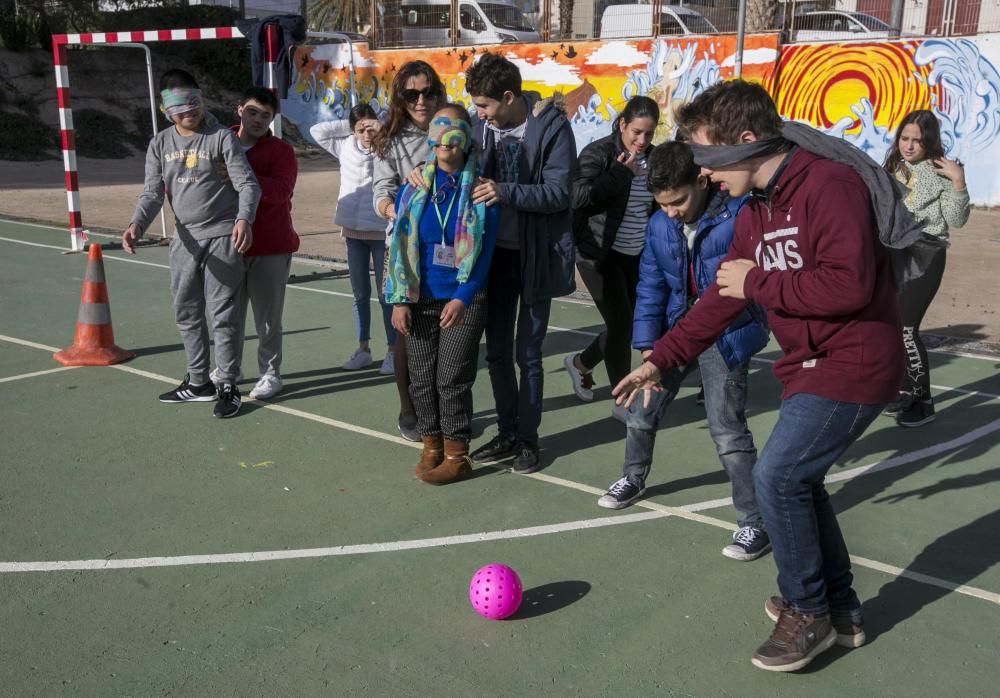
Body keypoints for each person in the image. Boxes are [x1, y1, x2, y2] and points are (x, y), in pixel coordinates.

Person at [613, 80, 903, 672]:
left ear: (745, 142)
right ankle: (841, 610)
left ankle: (808, 610)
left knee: (776, 476)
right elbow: (718, 301)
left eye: (706, 155)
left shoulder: (830, 186)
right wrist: (659, 359)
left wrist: (758, 284)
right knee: (801, 481)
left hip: (855, 361)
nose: (702, 170)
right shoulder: (754, 211)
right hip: (808, 365)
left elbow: (849, 285)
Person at [599, 141, 771, 562]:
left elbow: (743, 286)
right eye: (663, 204)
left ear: (700, 179)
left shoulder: (739, 214)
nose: (671, 211)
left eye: (678, 201)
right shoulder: (660, 224)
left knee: (727, 429)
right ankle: (633, 478)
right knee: (641, 411)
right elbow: (652, 285)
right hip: (675, 331)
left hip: (725, 332)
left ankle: (754, 522)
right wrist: (645, 345)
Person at [122, 68, 260, 419]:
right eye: (181, 109)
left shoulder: (220, 138)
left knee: (223, 315)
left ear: (201, 99)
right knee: (186, 311)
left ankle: (227, 384)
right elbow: (153, 193)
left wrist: (244, 219)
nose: (190, 113)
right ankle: (198, 381)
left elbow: (248, 185)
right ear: (168, 111)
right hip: (184, 241)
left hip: (222, 237)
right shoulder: (160, 144)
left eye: (194, 104)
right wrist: (137, 223)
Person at [464, 52, 577, 474]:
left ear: (509, 97)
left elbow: (557, 194)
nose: (480, 114)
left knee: (527, 354)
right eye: (477, 106)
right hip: (492, 257)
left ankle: (529, 441)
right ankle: (508, 431)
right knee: (494, 354)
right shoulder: (479, 126)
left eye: (486, 106)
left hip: (535, 258)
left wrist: (504, 191)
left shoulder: (551, 128)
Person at [386, 105, 498, 485]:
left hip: (462, 299)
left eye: (453, 135)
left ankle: (457, 453)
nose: (444, 144)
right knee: (420, 376)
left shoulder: (481, 192)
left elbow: (484, 255)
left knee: (451, 376)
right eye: (438, 136)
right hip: (419, 296)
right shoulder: (414, 187)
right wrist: (399, 299)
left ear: (466, 140)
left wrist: (463, 296)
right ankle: (430, 446)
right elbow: (400, 245)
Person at [564, 95, 659, 404]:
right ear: (622, 125)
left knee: (629, 325)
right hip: (598, 254)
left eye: (649, 133)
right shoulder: (600, 153)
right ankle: (623, 399)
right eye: (636, 132)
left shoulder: (655, 159)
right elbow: (577, 195)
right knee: (620, 325)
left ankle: (580, 364)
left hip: (637, 255)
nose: (642, 140)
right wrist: (621, 174)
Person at [373, 60, 448, 441]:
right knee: (407, 332)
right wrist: (403, 202)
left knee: (446, 333)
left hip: (450, 249)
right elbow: (380, 195)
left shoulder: (455, 129)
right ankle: (409, 410)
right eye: (412, 94)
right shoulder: (390, 140)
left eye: (428, 91)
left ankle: (440, 409)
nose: (421, 100)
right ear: (400, 98)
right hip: (405, 249)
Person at [882, 109, 970, 427]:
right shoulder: (893, 165)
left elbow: (957, 220)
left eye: (916, 141)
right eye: (904, 138)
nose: (908, 146)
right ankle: (901, 392)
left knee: (907, 330)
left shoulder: (942, 171)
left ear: (928, 141)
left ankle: (923, 401)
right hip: (893, 253)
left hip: (926, 255)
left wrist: (958, 181)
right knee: (890, 327)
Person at [311, 104, 396, 375]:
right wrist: (352, 126)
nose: (366, 133)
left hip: (380, 231)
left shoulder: (387, 146)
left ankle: (393, 352)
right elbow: (317, 130)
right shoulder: (345, 146)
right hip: (352, 231)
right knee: (360, 294)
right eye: (360, 128)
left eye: (370, 126)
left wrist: (377, 125)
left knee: (386, 296)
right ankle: (363, 349)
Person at [225, 86, 299, 400]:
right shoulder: (218, 144)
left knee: (267, 319)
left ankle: (270, 374)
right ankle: (229, 369)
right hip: (225, 246)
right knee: (226, 315)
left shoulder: (281, 151)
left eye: (265, 116)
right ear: (239, 109)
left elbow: (281, 192)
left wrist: (238, 175)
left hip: (270, 246)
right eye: (252, 112)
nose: (258, 120)